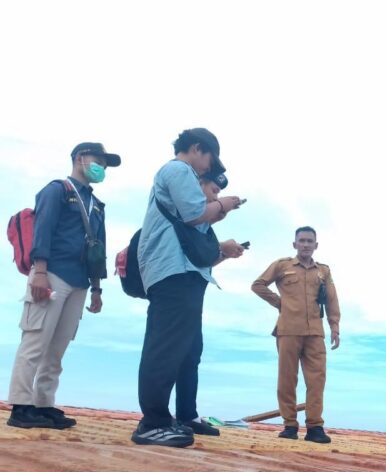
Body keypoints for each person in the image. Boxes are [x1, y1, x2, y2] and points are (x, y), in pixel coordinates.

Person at [132, 128, 244, 447]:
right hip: (172, 272)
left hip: (178, 273)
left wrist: (218, 212)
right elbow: (196, 214)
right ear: (196, 148)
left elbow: (195, 219)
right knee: (166, 345)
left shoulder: (176, 174)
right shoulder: (178, 169)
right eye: (210, 158)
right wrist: (226, 204)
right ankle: (152, 421)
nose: (209, 167)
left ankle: (165, 418)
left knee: (181, 347)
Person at [6, 142, 121, 429]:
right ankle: (21, 406)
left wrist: (96, 288)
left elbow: (99, 247)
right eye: (99, 161)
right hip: (53, 272)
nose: (102, 168)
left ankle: (43, 404)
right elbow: (43, 229)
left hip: (80, 280)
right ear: (80, 158)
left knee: (57, 347)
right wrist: (40, 271)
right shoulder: (57, 190)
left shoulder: (96, 204)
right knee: (35, 341)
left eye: (105, 165)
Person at [251, 227, 340, 443]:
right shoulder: (282, 266)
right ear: (295, 244)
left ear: (316, 245)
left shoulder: (324, 271)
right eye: (302, 240)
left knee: (317, 380)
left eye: (310, 241)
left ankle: (315, 427)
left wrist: (334, 326)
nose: (306, 244)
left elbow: (331, 299)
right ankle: (289, 425)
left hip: (315, 333)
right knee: (287, 379)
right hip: (288, 330)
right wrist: (280, 303)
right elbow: (258, 285)